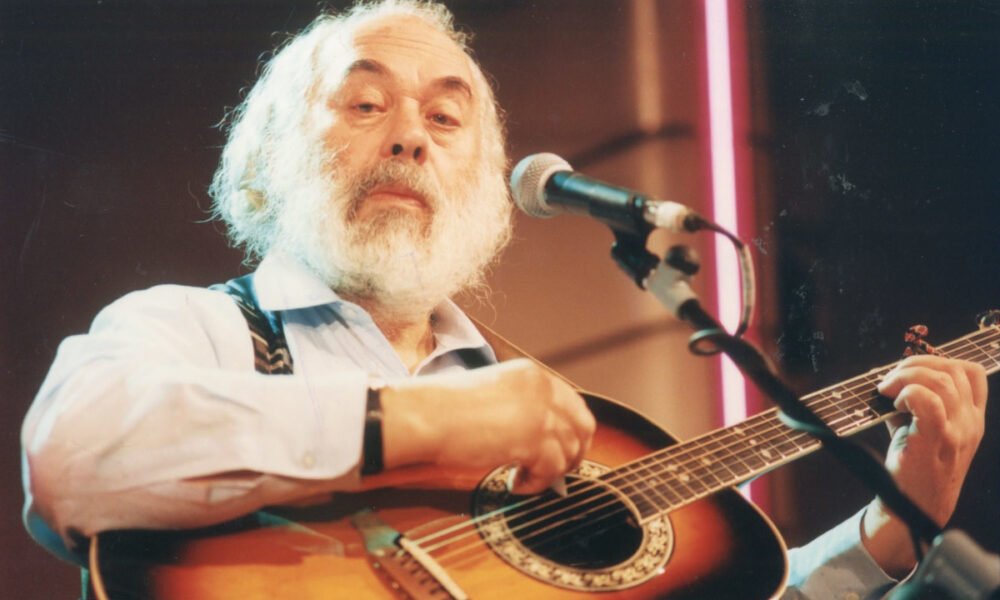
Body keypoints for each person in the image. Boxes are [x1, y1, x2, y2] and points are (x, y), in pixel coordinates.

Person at [21, 1, 988, 598]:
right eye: (366, 104)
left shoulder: (550, 413)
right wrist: (422, 423)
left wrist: (891, 530)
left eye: (447, 119)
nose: (411, 137)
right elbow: (70, 456)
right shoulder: (192, 327)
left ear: (486, 195)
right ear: (267, 162)